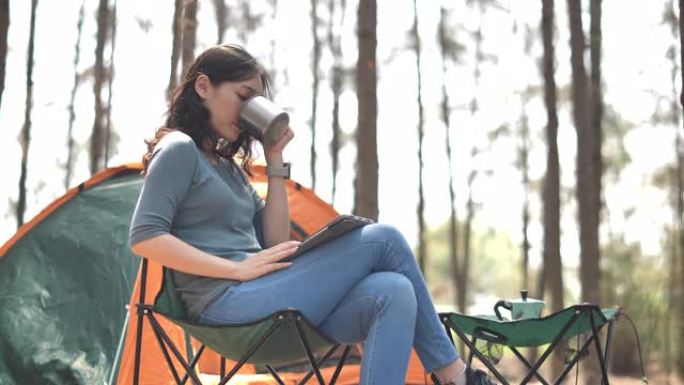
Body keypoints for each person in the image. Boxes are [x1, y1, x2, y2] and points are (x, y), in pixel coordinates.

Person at [128, 44, 494, 385]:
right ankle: (455, 376)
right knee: (385, 240)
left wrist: (274, 161)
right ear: (204, 87)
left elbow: (274, 241)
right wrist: (236, 270)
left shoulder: (230, 170)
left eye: (255, 102)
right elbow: (144, 237)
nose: (247, 112)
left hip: (262, 298)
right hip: (226, 304)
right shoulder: (179, 150)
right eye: (242, 97)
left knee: (393, 291)